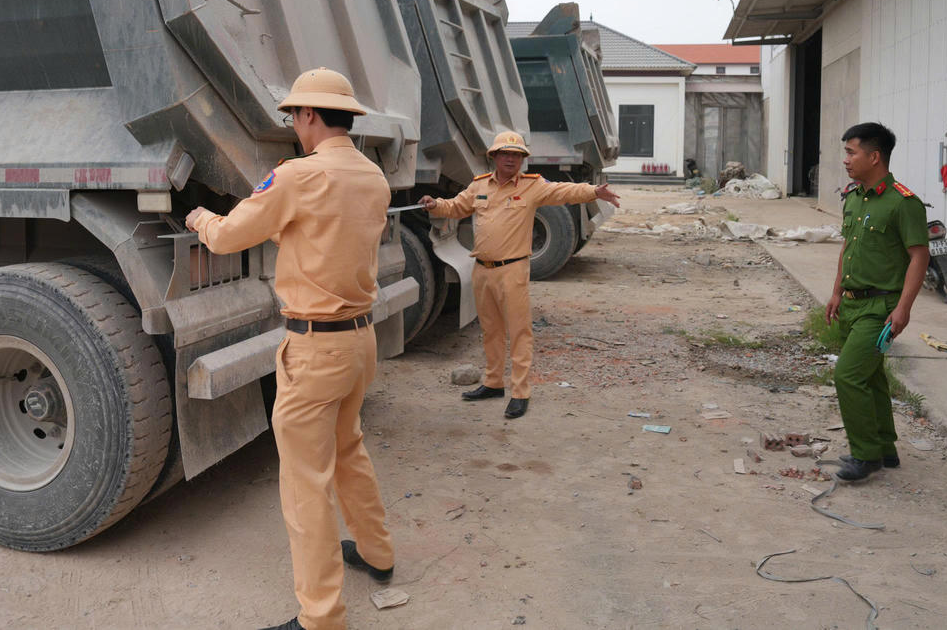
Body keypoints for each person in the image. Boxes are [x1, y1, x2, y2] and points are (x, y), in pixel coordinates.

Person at [185, 68, 393, 630]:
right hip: (359, 341)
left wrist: (200, 217)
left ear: (308, 115)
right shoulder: (372, 176)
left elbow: (227, 237)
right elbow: (324, 233)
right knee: (348, 449)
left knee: (305, 485)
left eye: (294, 115)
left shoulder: (298, 175)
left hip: (316, 350)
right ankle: (377, 552)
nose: (293, 125)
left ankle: (320, 617)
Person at [419, 130, 621, 419]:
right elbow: (457, 207)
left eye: (516, 155)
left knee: (519, 331)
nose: (511, 159)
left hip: (513, 270)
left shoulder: (532, 186)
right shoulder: (479, 186)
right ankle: (493, 383)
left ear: (522, 159)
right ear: (494, 156)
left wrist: (593, 191)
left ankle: (520, 392)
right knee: (491, 330)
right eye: (505, 153)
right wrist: (435, 204)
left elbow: (563, 191)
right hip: (482, 270)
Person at [825, 122, 930, 482]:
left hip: (880, 308)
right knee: (870, 377)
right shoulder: (855, 197)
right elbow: (848, 246)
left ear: (874, 157)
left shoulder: (903, 203)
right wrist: (837, 291)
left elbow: (919, 256)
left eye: (851, 152)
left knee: (848, 375)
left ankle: (865, 455)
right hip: (852, 303)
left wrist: (904, 308)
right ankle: (885, 448)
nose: (845, 160)